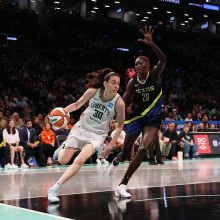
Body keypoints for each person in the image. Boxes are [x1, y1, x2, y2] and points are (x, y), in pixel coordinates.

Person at [47, 68, 125, 203]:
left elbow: (119, 126)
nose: (116, 86)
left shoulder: (119, 103)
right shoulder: (93, 92)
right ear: (105, 84)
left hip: (97, 135)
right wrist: (62, 112)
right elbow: (77, 105)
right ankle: (64, 146)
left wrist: (110, 146)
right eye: (113, 83)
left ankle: (53, 189)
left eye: (118, 83)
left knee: (80, 160)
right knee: (63, 161)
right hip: (81, 128)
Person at [108, 26, 167, 198]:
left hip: (153, 120)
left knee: (141, 150)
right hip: (136, 118)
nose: (138, 66)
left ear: (148, 65)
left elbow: (163, 60)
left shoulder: (155, 75)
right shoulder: (133, 82)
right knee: (126, 153)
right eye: (136, 64)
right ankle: (117, 160)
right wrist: (110, 111)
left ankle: (123, 184)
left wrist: (152, 44)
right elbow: (123, 100)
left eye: (141, 63)